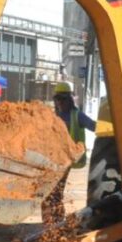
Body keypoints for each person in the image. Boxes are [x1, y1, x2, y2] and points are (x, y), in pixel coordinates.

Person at [44, 82, 96, 223]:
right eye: (58, 99)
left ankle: (55, 222)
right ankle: (53, 221)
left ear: (70, 99)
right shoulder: (52, 115)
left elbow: (94, 126)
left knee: (54, 191)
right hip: (51, 159)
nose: (60, 102)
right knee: (50, 192)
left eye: (63, 99)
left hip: (66, 160)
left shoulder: (76, 115)